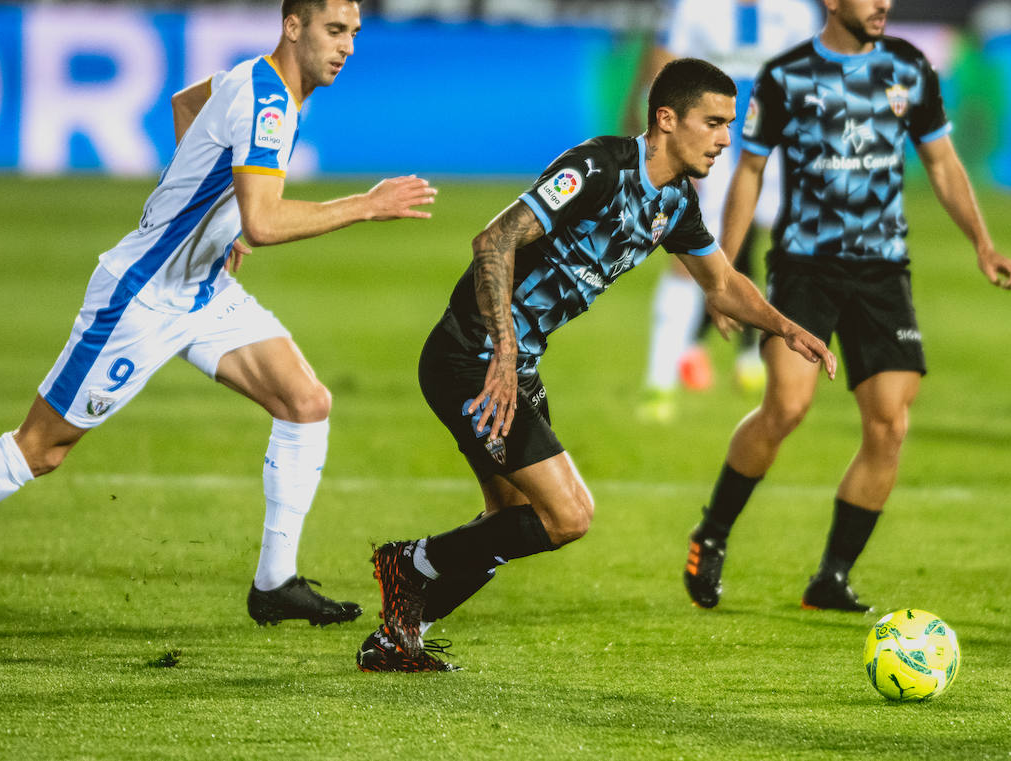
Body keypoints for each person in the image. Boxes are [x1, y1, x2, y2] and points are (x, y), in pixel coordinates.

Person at [0, 0, 437, 627]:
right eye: (334, 29)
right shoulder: (268, 102)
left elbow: (185, 105)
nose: (347, 47)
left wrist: (215, 225)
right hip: (141, 297)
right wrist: (365, 205)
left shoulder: (255, 78)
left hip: (201, 291)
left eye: (354, 33)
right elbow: (266, 223)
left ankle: (275, 584)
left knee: (306, 402)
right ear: (294, 26)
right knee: (41, 448)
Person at [358, 58, 836, 673]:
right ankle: (410, 563)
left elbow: (721, 283)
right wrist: (503, 350)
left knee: (513, 520)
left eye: (729, 124)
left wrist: (786, 327)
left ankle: (401, 636)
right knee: (567, 516)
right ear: (667, 119)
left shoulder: (674, 202)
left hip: (514, 366)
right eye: (714, 123)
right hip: (472, 357)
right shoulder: (598, 167)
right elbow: (494, 241)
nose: (725, 139)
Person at [682, 0, 1011, 613]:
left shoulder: (910, 69)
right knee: (787, 407)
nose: (883, 0)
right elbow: (748, 173)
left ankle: (830, 578)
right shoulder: (786, 77)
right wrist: (723, 278)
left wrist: (982, 243)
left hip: (882, 272)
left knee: (889, 426)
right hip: (805, 267)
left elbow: (942, 163)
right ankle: (711, 533)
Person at [633, 0, 820, 422]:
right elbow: (663, 71)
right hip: (709, 153)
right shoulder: (694, 4)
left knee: (788, 257)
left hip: (776, 154)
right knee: (686, 255)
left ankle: (771, 375)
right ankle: (659, 384)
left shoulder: (797, 12)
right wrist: (665, 146)